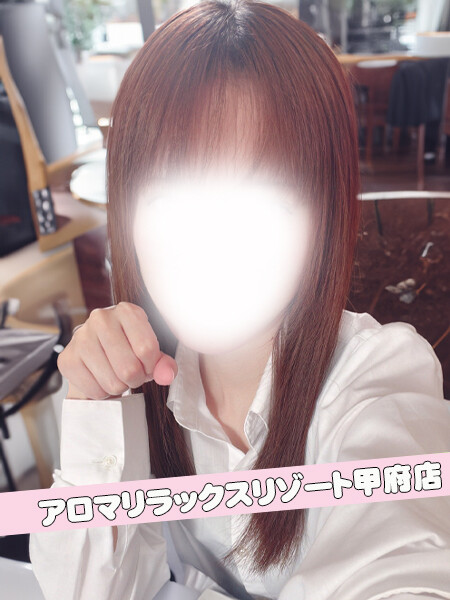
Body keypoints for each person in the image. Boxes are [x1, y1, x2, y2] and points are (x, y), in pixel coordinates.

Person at [29, 1, 450, 599]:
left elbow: (403, 561)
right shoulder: (134, 383)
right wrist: (95, 410)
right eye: (170, 194)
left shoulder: (375, 378)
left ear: (324, 215)